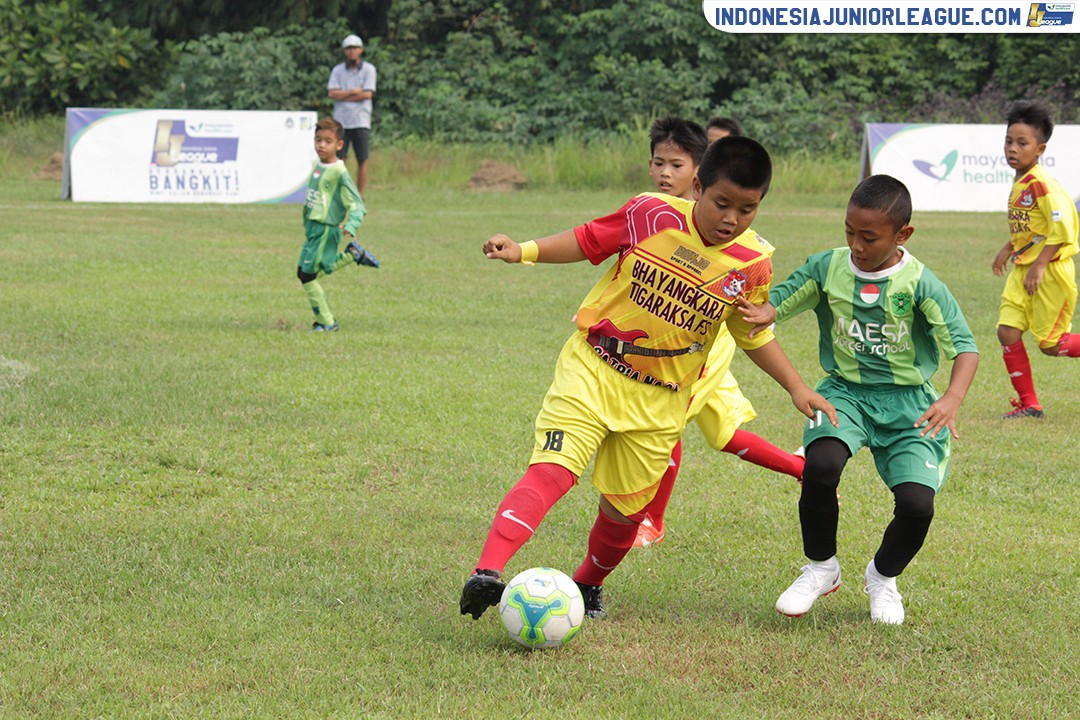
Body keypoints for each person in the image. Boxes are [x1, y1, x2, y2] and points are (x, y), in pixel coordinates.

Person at [458, 136, 838, 622]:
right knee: (552, 468)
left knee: (623, 511)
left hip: (662, 400)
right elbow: (588, 239)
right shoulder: (649, 213)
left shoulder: (752, 263)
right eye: (722, 203)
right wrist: (523, 251)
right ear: (697, 186)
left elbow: (752, 335)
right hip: (594, 368)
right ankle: (487, 573)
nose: (731, 219)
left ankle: (588, 585)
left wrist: (797, 386)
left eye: (748, 209)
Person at [742, 174, 979, 624]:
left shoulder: (921, 284)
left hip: (909, 403)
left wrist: (952, 397)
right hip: (844, 394)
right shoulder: (828, 267)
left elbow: (965, 347)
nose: (855, 244)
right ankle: (821, 568)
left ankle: (882, 578)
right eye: (849, 231)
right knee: (822, 466)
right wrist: (764, 309)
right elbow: (783, 299)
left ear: (902, 235)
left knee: (917, 505)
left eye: (868, 237)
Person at [636, 117, 806, 548]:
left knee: (665, 422)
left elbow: (749, 290)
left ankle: (651, 521)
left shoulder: (732, 235)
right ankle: (805, 470)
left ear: (698, 176)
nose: (665, 174)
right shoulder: (653, 214)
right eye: (659, 164)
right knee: (723, 435)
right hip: (672, 343)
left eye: (677, 165)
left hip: (704, 347)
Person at [991, 100, 1080, 419]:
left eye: (1022, 143)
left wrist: (1040, 265)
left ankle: (1030, 403)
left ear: (1040, 149)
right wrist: (1008, 247)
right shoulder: (1022, 179)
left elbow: (1063, 230)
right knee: (1007, 332)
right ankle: (1029, 405)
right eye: (1009, 141)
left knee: (1051, 345)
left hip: (1049, 273)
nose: (1012, 149)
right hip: (1024, 268)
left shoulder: (1042, 184)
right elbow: (1034, 227)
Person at [298, 117, 379, 332]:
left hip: (326, 229)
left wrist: (352, 225)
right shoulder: (317, 165)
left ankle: (327, 321)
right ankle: (353, 255)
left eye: (327, 141)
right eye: (318, 140)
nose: (321, 145)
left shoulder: (340, 172)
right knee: (305, 272)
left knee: (307, 276)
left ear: (339, 145)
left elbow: (357, 204)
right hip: (313, 229)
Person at [327, 34, 377, 194]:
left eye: (354, 48)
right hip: (341, 121)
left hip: (361, 120)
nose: (351, 52)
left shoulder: (369, 69)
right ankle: (341, 191)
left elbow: (367, 94)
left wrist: (344, 95)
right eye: (348, 48)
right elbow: (332, 94)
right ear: (344, 51)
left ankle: (359, 194)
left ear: (360, 50)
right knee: (340, 159)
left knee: (362, 158)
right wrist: (353, 92)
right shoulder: (337, 70)